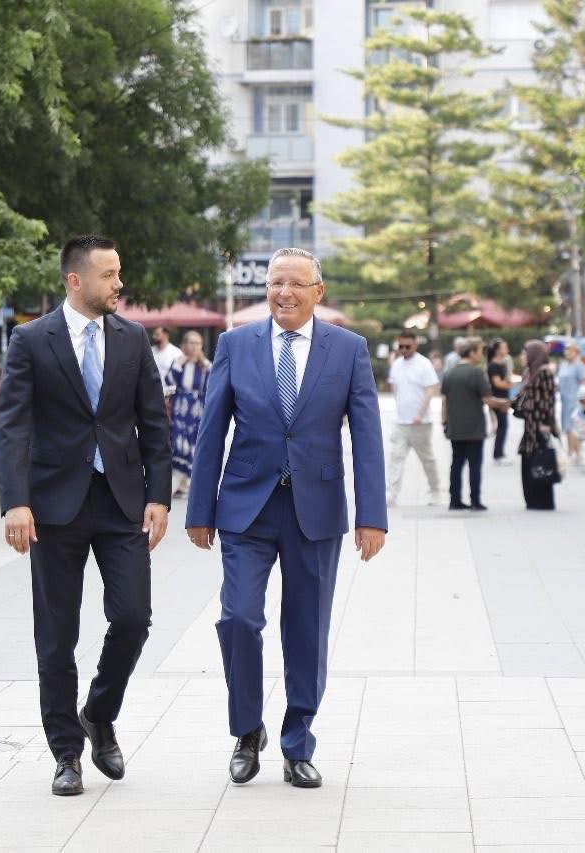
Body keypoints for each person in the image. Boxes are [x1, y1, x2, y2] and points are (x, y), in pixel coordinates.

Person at [186, 247, 386, 790]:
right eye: (276, 283)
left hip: (315, 512)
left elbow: (366, 437)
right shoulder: (235, 344)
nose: (284, 293)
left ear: (318, 292)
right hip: (246, 509)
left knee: (308, 630)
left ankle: (298, 740)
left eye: (297, 284)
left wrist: (373, 516)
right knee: (238, 619)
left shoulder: (349, 350)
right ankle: (247, 730)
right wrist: (199, 509)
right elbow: (211, 433)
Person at [0, 236, 171, 797]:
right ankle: (66, 753)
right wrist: (15, 501)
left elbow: (155, 425)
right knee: (56, 635)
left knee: (134, 617)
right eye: (110, 275)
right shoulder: (31, 340)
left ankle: (99, 712)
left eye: (120, 273)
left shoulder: (133, 337)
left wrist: (159, 496)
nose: (120, 284)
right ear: (76, 280)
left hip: (120, 502)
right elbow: (13, 425)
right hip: (52, 507)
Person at [441, 342, 508, 510]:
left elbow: (445, 401)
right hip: (474, 427)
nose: (481, 356)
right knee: (474, 465)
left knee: (456, 464)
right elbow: (487, 399)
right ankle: (475, 500)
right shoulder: (477, 373)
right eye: (479, 352)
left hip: (455, 427)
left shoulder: (449, 373)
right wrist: (506, 403)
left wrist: (445, 421)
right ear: (471, 353)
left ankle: (454, 499)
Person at [386, 330, 443, 506]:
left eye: (407, 346)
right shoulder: (396, 364)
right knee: (396, 458)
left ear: (415, 345)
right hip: (401, 421)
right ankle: (391, 494)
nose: (403, 349)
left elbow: (431, 389)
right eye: (400, 346)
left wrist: (420, 413)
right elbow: (394, 388)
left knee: (427, 459)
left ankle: (435, 491)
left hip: (421, 423)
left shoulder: (424, 364)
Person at [514, 339, 560, 510]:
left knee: (541, 462)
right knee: (528, 463)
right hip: (529, 426)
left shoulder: (544, 372)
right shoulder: (529, 372)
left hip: (540, 425)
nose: (522, 356)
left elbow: (549, 400)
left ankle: (543, 501)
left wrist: (548, 423)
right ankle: (531, 500)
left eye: (525, 353)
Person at [168, 330, 211, 499]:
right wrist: (178, 364)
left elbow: (211, 391)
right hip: (179, 411)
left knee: (193, 445)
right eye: (190, 343)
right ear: (184, 345)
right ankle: (179, 482)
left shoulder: (207, 367)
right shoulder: (179, 363)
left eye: (197, 343)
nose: (193, 347)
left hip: (197, 412)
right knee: (179, 445)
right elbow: (168, 383)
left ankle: (186, 483)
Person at [557, 343, 585, 464]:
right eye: (566, 350)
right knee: (567, 427)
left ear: (576, 352)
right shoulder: (564, 365)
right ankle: (570, 451)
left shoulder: (579, 365)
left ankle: (577, 453)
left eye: (570, 350)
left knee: (574, 427)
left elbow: (584, 381)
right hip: (564, 400)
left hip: (575, 399)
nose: (567, 353)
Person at [486, 338, 512, 465]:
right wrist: (509, 385)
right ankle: (498, 454)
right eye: (504, 347)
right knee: (502, 426)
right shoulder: (493, 365)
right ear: (497, 350)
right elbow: (497, 383)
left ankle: (500, 452)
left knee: (503, 426)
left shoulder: (503, 363)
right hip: (498, 398)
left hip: (503, 398)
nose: (506, 349)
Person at [151, 326, 183, 400]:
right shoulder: (150, 351)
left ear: (166, 335)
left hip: (170, 394)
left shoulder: (176, 353)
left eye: (157, 334)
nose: (154, 337)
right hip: (153, 392)